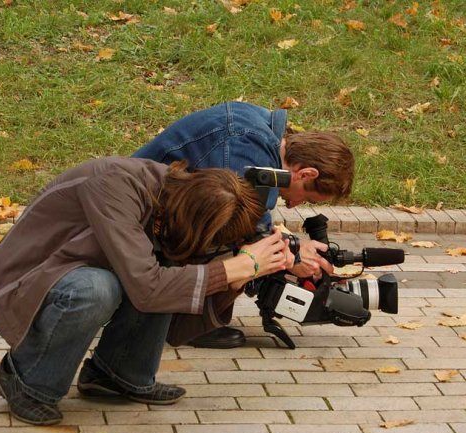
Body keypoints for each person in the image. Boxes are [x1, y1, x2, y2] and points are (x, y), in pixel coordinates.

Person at [0, 157, 291, 425]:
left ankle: (117, 375)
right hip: (22, 286)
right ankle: (26, 382)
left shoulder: (178, 206)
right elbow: (147, 288)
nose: (213, 251)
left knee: (164, 275)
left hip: (70, 278)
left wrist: (234, 281)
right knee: (98, 290)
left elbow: (180, 318)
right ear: (197, 221)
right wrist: (230, 269)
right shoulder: (115, 184)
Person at [133, 101, 355, 348]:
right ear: (306, 174)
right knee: (234, 238)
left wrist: (290, 249)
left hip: (153, 216)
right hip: (142, 226)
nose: (293, 205)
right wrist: (292, 255)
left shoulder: (260, 134)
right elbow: (242, 225)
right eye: (306, 197)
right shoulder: (248, 146)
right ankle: (192, 322)